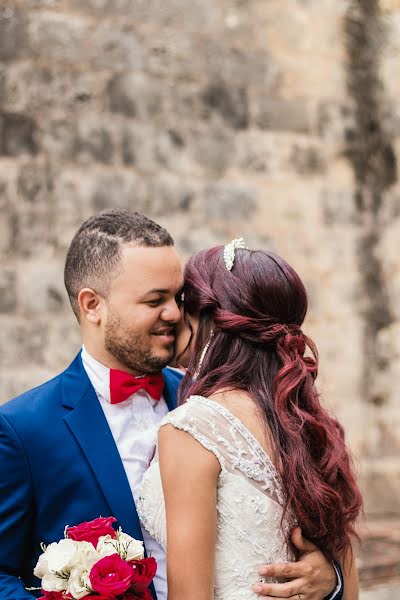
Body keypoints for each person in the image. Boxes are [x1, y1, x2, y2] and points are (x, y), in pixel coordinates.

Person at [0, 211, 342, 600]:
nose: (176, 314)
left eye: (178, 297)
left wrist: (331, 580)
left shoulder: (213, 408)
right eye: (154, 300)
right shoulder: (23, 430)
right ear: (92, 305)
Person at [139, 239, 362, 600]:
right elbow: (350, 592)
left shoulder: (193, 428)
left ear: (211, 321)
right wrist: (333, 581)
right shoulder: (307, 424)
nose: (174, 316)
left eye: (184, 304)